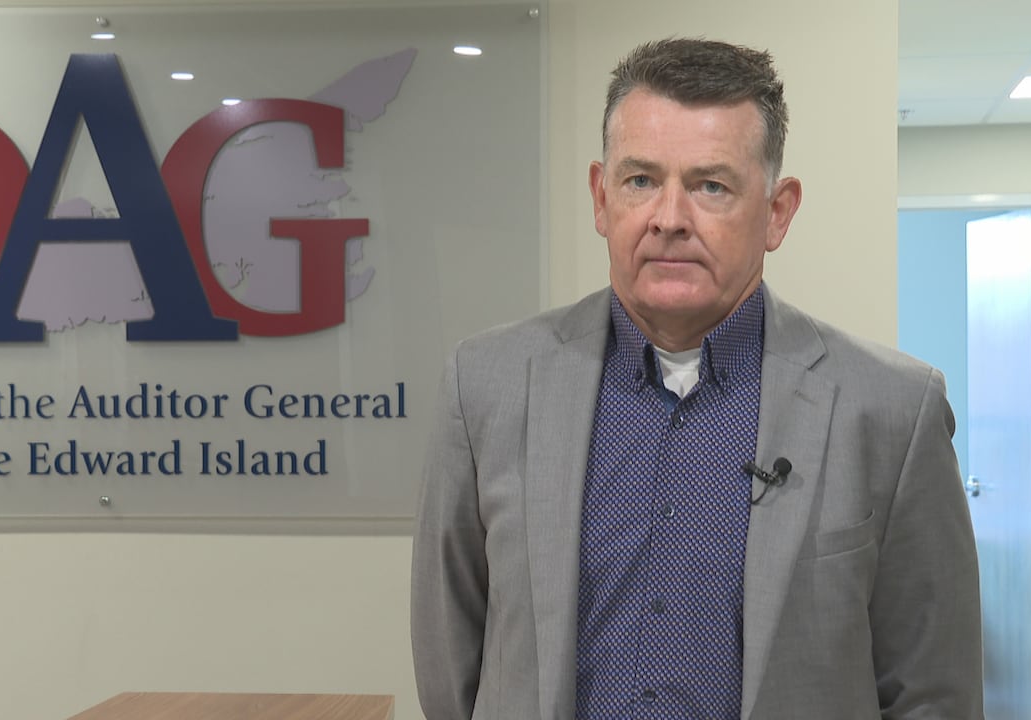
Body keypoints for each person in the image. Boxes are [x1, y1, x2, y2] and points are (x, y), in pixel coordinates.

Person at [410, 37, 982, 719]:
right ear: (601, 197)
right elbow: (451, 670)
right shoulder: (487, 387)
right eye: (641, 180)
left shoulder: (892, 410)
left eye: (711, 185)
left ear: (777, 211)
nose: (670, 219)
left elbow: (933, 691)